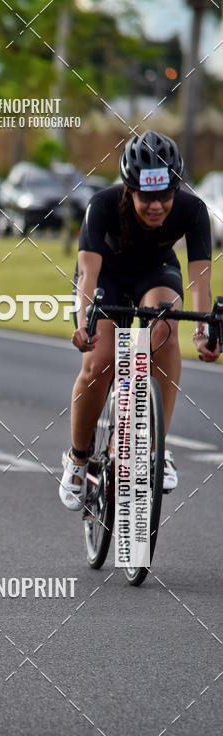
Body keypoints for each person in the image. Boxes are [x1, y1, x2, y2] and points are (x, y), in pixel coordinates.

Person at [59, 130, 218, 511]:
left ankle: (155, 449)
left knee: (163, 327)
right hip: (107, 279)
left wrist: (203, 331)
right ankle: (78, 459)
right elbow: (88, 277)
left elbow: (199, 279)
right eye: (146, 196)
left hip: (156, 273)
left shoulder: (192, 210)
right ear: (129, 189)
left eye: (165, 195)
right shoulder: (102, 205)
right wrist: (83, 324)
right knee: (100, 361)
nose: (157, 206)